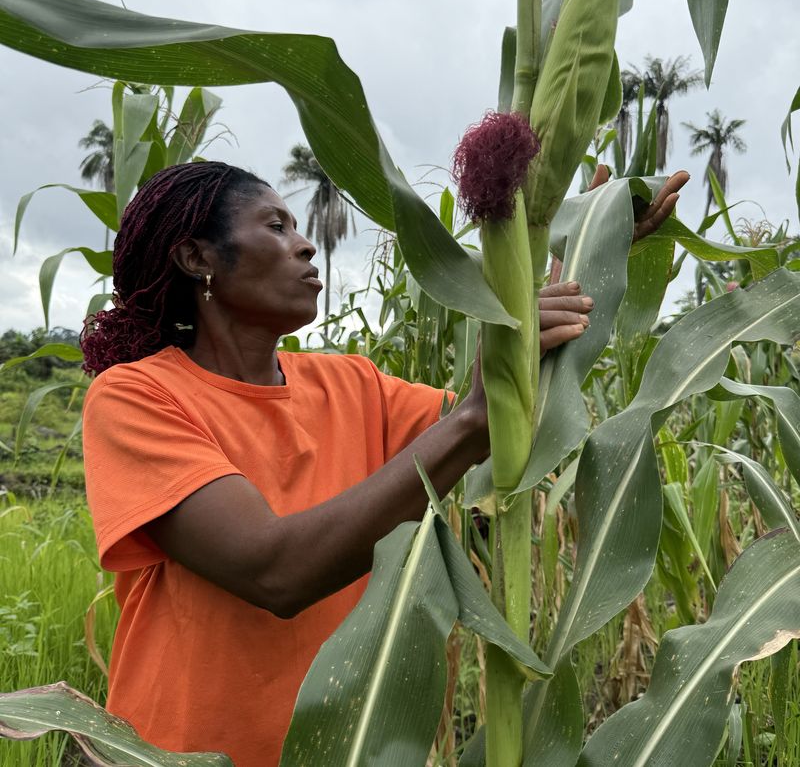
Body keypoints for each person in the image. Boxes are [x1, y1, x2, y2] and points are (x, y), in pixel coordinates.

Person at [81, 160, 686, 766]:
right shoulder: (137, 396)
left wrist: (586, 255)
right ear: (197, 258)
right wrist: (474, 417)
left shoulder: (353, 384)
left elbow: (517, 417)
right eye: (275, 226)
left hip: (347, 748)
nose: (304, 243)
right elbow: (274, 572)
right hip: (177, 751)